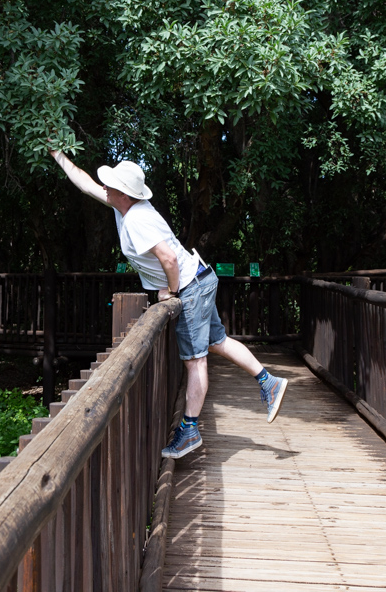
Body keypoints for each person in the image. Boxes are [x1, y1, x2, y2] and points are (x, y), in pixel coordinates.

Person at [49, 150, 289, 459]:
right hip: (200, 279)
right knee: (217, 341)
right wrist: (57, 153)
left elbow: (169, 258)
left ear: (123, 192)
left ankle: (189, 431)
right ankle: (268, 383)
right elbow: (84, 183)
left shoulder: (136, 219)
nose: (103, 187)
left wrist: (170, 292)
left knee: (195, 360)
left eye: (109, 185)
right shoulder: (124, 206)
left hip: (190, 286)